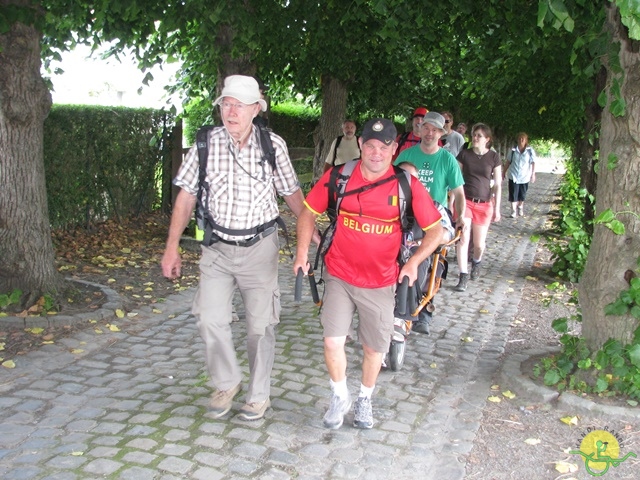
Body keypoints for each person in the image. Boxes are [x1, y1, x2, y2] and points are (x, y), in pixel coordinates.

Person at [161, 75, 311, 422]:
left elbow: (292, 193)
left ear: (256, 109)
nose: (231, 111)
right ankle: (226, 382)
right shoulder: (205, 144)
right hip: (216, 249)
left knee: (260, 326)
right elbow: (185, 197)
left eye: (239, 105)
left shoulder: (273, 146)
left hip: (260, 248)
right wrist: (172, 247)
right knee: (209, 318)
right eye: (226, 103)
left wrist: (307, 230)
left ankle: (258, 395)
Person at [294, 118, 443, 430]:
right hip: (339, 273)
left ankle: (364, 398)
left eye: (384, 147)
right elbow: (308, 211)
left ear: (394, 150)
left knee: (375, 348)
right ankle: (339, 396)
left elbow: (436, 230)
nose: (376, 152)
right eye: (371, 145)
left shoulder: (406, 185)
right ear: (360, 144)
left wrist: (414, 262)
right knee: (332, 341)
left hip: (381, 280)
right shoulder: (340, 177)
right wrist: (302, 254)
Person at [454, 123, 502, 291]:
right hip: (465, 201)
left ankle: (476, 262)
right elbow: (456, 179)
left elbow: (497, 184)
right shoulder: (464, 155)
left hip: (484, 203)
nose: (475, 138)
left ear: (487, 139)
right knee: (463, 238)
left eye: (479, 136)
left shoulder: (493, 157)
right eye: (474, 135)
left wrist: (497, 208)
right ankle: (463, 275)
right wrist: (452, 200)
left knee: (479, 244)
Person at [504, 132, 536, 217]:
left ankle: (520, 206)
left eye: (523, 139)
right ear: (517, 140)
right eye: (520, 138)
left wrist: (533, 174)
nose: (521, 140)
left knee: (522, 194)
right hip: (513, 175)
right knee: (513, 194)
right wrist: (503, 172)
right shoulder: (513, 150)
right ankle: (513, 211)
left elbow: (533, 162)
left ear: (526, 140)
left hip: (524, 176)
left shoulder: (530, 151)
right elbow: (508, 162)